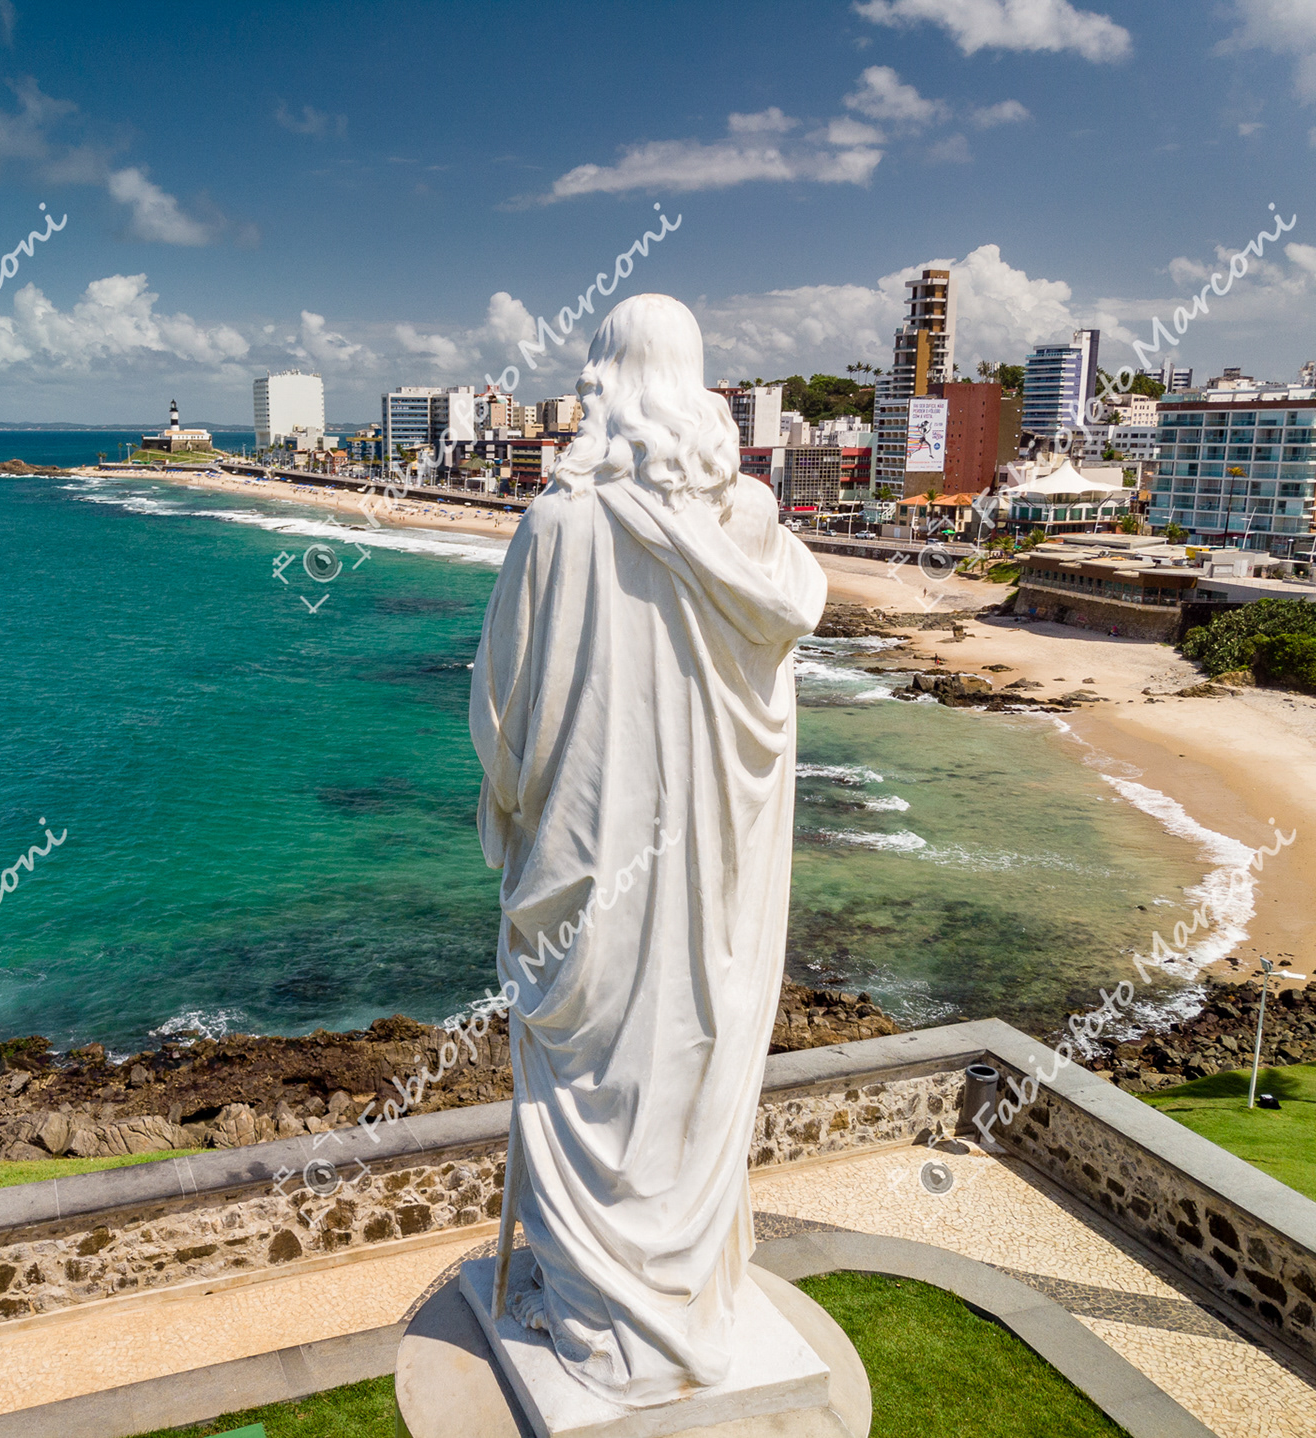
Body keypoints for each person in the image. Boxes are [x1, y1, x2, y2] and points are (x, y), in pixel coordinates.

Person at [470, 295, 826, 1404]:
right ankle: (686, 1295)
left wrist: (516, 801)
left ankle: (605, 1306)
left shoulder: (558, 523)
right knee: (688, 1059)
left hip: (594, 859)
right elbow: (767, 690)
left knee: (607, 1068)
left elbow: (501, 709)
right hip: (711, 863)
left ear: (605, 377)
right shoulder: (756, 523)